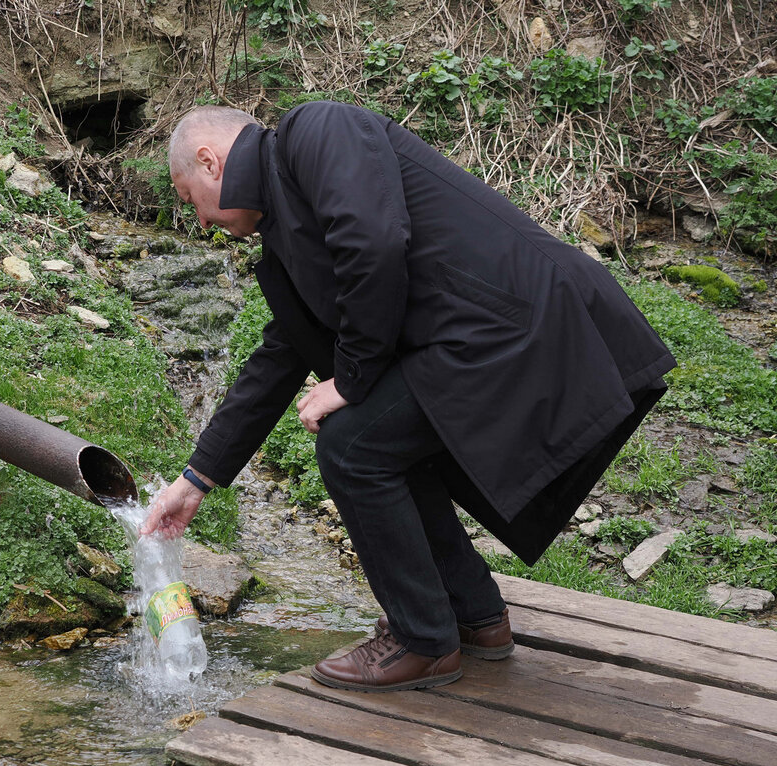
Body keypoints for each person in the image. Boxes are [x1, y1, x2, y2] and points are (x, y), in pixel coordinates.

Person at [139, 101, 675, 692]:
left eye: (188, 199)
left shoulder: (315, 131)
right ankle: (474, 616)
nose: (198, 220)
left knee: (353, 445)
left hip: (525, 325)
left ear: (210, 161)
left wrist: (350, 380)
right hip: (479, 338)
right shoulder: (284, 233)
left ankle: (423, 641)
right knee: (375, 440)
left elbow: (373, 241)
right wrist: (196, 480)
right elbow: (280, 356)